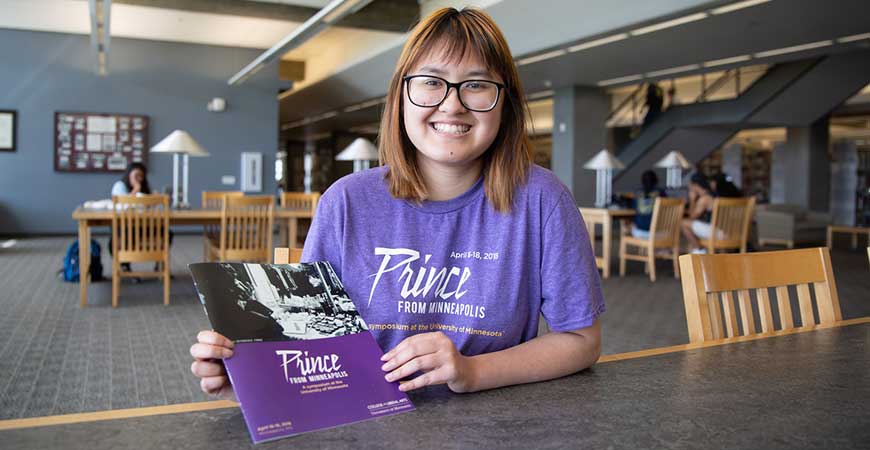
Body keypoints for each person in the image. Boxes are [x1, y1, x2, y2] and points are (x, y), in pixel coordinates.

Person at [190, 7, 604, 399]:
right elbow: (310, 348)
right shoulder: (345, 203)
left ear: (504, 103)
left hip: (499, 421)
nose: (452, 104)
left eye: (476, 84)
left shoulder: (542, 200)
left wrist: (473, 372)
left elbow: (581, 340)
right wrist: (250, 379)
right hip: (365, 418)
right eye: (431, 81)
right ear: (401, 95)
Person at [681, 173, 716, 254]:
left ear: (695, 185)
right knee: (690, 226)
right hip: (720, 230)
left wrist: (692, 199)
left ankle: (699, 250)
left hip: (715, 231)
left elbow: (692, 216)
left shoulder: (704, 199)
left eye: (691, 186)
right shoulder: (712, 194)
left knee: (683, 223)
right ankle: (698, 249)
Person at [630, 170, 666, 239]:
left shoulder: (637, 193)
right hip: (659, 232)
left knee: (632, 225)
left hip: (641, 233)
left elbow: (634, 209)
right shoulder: (661, 193)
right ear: (656, 180)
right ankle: (658, 249)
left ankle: (650, 247)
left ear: (642, 181)